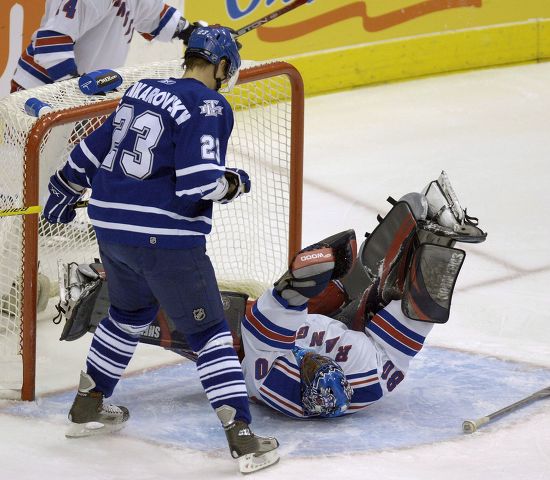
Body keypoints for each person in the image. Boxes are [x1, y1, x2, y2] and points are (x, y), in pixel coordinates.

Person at [55, 172, 487, 420]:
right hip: (340, 324)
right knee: (408, 299)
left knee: (202, 320)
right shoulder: (372, 373)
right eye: (322, 366)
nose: (315, 362)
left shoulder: (270, 375)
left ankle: (93, 295)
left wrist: (295, 287)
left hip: (255, 341)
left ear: (301, 379)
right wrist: (434, 247)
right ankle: (437, 225)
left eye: (309, 368)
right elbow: (416, 316)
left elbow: (267, 321)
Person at [42, 26, 279, 474]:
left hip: (111, 232)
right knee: (208, 330)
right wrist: (234, 182)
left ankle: (88, 405)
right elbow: (197, 184)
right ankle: (243, 438)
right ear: (223, 66)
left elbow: (92, 149)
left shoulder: (142, 89)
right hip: (165, 241)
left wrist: (63, 186)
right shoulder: (209, 104)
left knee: (128, 315)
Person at [11, 0, 206, 92]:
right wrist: (76, 89)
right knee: (36, 171)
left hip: (84, 90)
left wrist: (193, 33)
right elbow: (50, 41)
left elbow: (156, 16)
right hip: (40, 89)